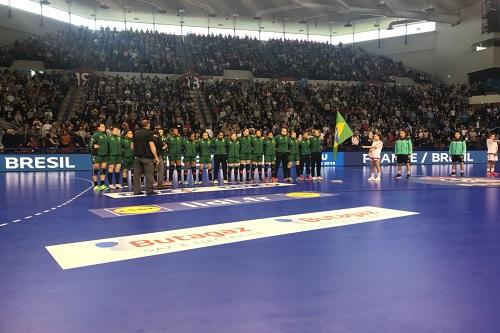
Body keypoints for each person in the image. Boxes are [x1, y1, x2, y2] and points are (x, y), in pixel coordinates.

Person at [132, 119, 159, 195]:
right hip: (147, 157)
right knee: (149, 174)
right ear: (148, 125)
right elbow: (152, 145)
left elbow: (132, 146)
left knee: (136, 174)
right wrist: (156, 157)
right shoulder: (149, 133)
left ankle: (136, 191)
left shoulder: (136, 133)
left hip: (138, 157)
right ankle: (149, 190)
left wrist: (137, 151)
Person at [90, 123, 109, 191]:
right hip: (97, 154)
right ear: (98, 128)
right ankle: (95, 185)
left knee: (103, 169)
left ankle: (102, 185)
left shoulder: (105, 135)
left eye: (104, 126)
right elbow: (91, 144)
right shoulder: (96, 134)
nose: (104, 127)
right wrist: (93, 146)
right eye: (102, 126)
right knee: (96, 169)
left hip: (105, 155)